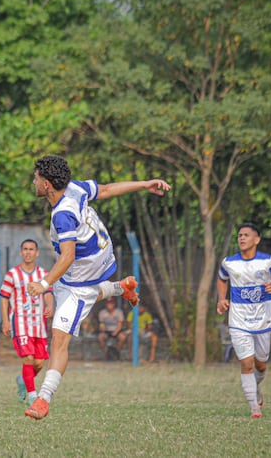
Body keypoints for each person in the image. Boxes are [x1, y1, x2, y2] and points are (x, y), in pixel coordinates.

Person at [24, 156, 170, 420]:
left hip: (81, 276)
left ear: (46, 184)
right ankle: (120, 288)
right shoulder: (74, 187)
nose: (32, 182)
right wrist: (144, 184)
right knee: (84, 294)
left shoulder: (63, 216)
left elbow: (67, 256)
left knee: (59, 339)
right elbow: (106, 190)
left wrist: (44, 283)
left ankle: (43, 399)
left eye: (35, 178)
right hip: (99, 257)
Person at [216, 222, 271, 418]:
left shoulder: (268, 261)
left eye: (246, 235)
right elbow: (222, 279)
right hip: (239, 321)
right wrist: (222, 299)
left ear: (257, 239)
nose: (242, 238)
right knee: (246, 363)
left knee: (261, 365)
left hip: (263, 321)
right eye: (240, 235)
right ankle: (254, 407)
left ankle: (257, 386)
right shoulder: (229, 262)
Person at [0, 239, 53, 407]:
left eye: (31, 249)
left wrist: (50, 305)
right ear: (21, 252)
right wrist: (5, 320)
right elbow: (4, 298)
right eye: (25, 249)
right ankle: (32, 395)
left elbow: (48, 293)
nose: (28, 252)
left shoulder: (43, 274)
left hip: (39, 325)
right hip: (20, 322)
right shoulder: (12, 274)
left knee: (39, 363)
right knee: (28, 358)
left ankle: (23, 380)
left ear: (37, 253)